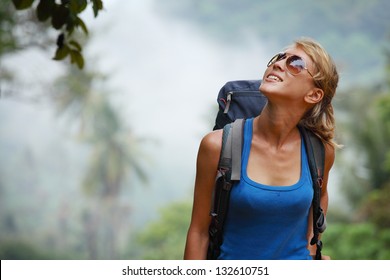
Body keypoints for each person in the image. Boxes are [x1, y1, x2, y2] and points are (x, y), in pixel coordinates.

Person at [184, 37, 339, 260]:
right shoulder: (218, 146)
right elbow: (198, 233)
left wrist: (311, 252)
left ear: (313, 95)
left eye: (295, 64)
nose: (278, 64)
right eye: (280, 57)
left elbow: (320, 198)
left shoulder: (319, 151)